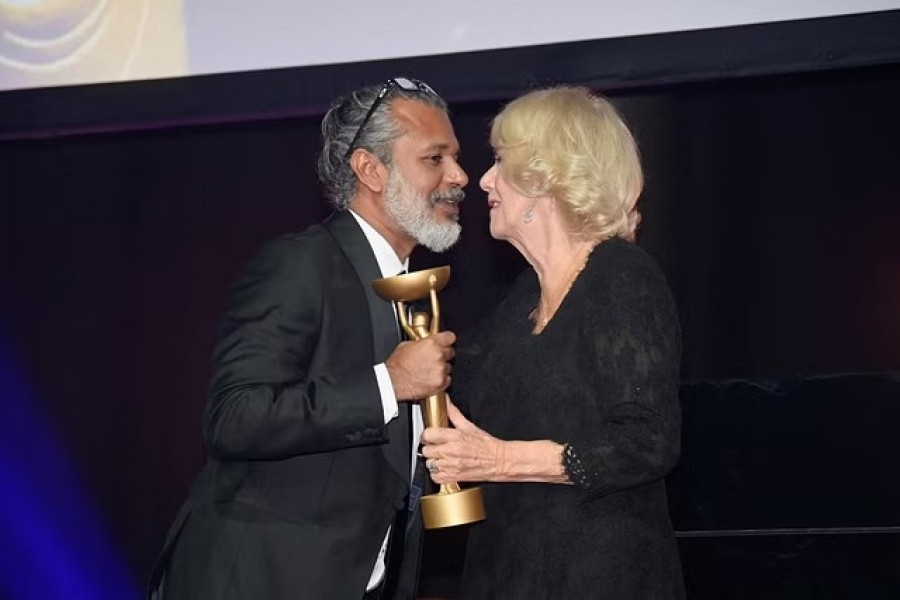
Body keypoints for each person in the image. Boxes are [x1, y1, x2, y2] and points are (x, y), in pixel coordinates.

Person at [148, 76, 468, 600]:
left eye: (455, 157)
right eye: (435, 159)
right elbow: (235, 417)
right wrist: (388, 384)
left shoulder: (409, 289)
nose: (459, 175)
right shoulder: (300, 264)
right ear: (370, 170)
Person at [420, 86, 685, 599]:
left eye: (500, 161)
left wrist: (499, 460)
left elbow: (646, 443)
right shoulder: (523, 296)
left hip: (598, 577)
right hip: (506, 570)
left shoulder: (621, 277)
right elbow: (452, 389)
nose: (485, 179)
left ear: (548, 176)